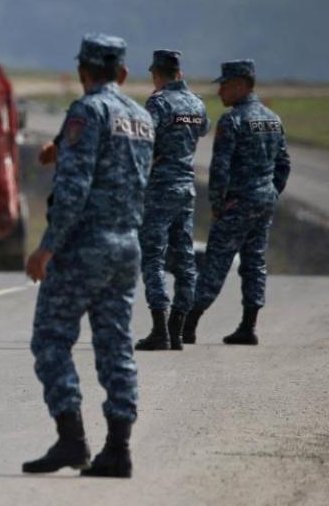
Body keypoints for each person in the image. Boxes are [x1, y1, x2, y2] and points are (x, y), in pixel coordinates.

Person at [22, 33, 153, 479]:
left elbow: (75, 191)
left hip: (84, 246)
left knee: (51, 338)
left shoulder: (87, 111)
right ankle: (119, 448)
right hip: (126, 245)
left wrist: (47, 247)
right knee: (116, 345)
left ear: (82, 72)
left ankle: (72, 440)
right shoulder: (140, 117)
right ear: (122, 73)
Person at [183, 60, 290, 345]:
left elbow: (220, 169)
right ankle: (248, 325)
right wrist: (270, 192)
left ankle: (189, 323)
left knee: (216, 262)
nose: (220, 92)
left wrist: (218, 204)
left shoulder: (233, 121)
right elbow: (283, 164)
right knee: (255, 261)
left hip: (238, 203)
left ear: (242, 85)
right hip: (263, 201)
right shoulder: (273, 119)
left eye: (225, 85)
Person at [135, 50, 210, 351]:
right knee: (184, 260)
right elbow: (202, 129)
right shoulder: (197, 103)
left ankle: (159, 329)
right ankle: (176, 329)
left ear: (156, 74)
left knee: (153, 257)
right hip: (186, 189)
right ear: (179, 73)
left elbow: (143, 140)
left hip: (160, 189)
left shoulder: (159, 103)